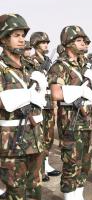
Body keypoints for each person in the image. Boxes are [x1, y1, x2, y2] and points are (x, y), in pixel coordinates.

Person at [0, 13, 55, 200]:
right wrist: (30, 93)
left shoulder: (30, 66)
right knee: (16, 191)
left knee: (34, 188)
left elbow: (42, 99)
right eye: (16, 35)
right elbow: (6, 101)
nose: (22, 40)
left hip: (34, 136)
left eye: (23, 35)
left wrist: (35, 91)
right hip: (11, 140)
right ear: (3, 39)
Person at [48, 25, 92, 200]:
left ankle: (80, 199)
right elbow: (56, 93)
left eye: (85, 41)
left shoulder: (83, 66)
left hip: (86, 119)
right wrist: (79, 92)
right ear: (69, 43)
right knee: (72, 163)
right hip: (70, 121)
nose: (84, 44)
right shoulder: (59, 66)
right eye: (79, 41)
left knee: (85, 162)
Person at [30, 31, 61, 181]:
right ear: (35, 44)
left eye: (47, 42)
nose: (46, 45)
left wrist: (54, 102)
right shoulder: (31, 60)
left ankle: (46, 164)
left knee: (49, 135)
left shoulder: (48, 60)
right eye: (43, 42)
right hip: (38, 102)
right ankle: (39, 167)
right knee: (39, 136)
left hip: (49, 101)